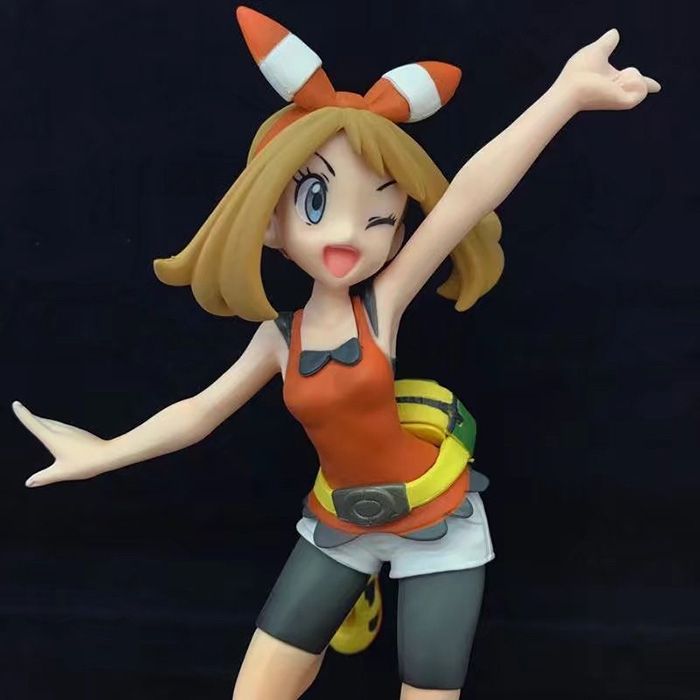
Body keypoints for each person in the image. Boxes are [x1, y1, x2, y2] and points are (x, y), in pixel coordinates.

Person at [13, 6, 660, 700]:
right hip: (338, 521)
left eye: (379, 214)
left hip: (437, 518)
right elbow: (198, 413)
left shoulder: (382, 306)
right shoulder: (278, 338)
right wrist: (103, 453)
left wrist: (563, 96)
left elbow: (470, 195)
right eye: (317, 201)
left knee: (428, 692)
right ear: (269, 219)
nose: (349, 235)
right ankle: (358, 593)